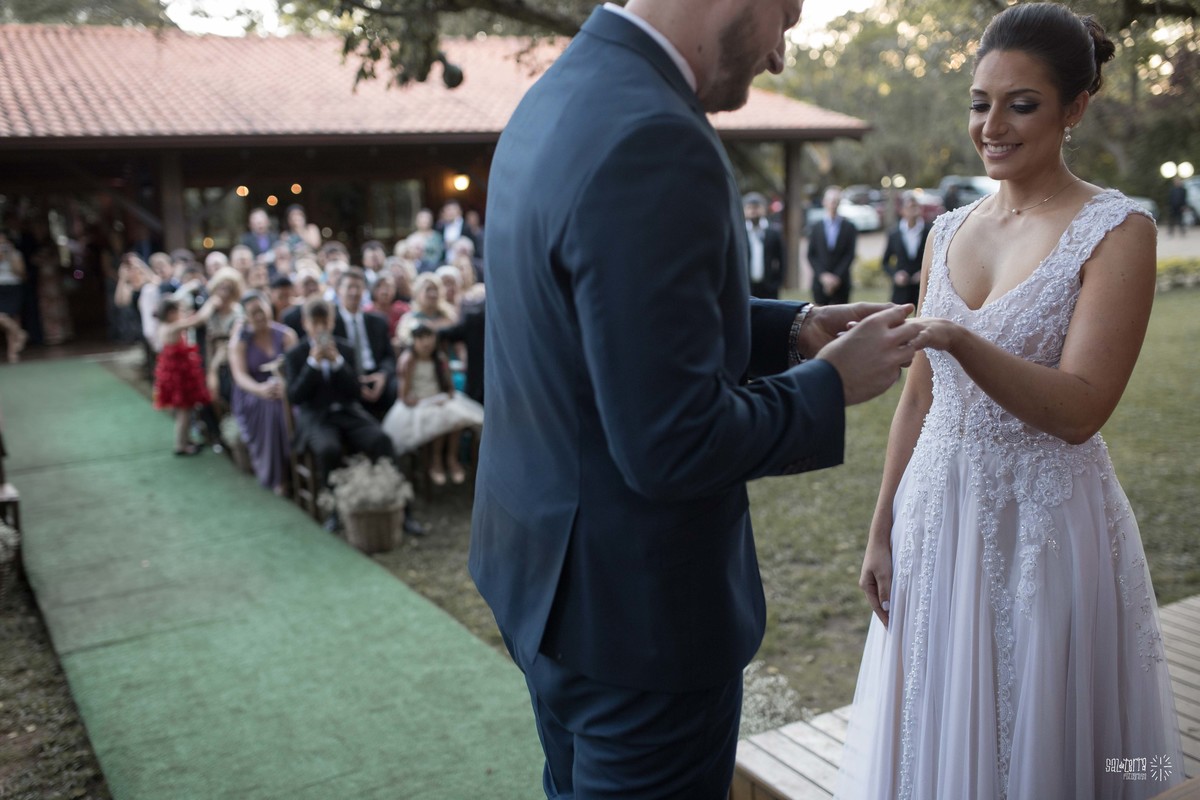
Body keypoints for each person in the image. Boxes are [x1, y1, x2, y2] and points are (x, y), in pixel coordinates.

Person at [468, 0, 921, 794]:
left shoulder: (561, 92)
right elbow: (672, 442)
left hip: (544, 580)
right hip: (639, 625)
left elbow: (604, 315)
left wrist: (795, 331)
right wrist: (830, 386)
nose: (781, 53)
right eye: (787, 14)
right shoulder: (659, 136)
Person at [838, 5, 1184, 799]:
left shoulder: (1118, 228)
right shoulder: (947, 228)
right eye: (979, 102)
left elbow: (1079, 409)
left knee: (1045, 733)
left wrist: (961, 340)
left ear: (1075, 108)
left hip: (1045, 526)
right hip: (936, 514)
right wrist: (882, 526)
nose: (992, 124)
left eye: (1021, 103)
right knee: (937, 725)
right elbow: (918, 398)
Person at [282, 297, 396, 529]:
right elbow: (295, 397)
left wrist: (338, 364)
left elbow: (355, 392)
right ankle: (335, 510)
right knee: (328, 449)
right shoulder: (295, 354)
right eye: (316, 324)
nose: (321, 329)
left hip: (348, 412)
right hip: (317, 417)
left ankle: (394, 500)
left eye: (325, 323)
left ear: (332, 323)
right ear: (306, 324)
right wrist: (313, 364)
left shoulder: (345, 348)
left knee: (381, 439)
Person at [382, 322, 483, 485]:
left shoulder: (440, 359)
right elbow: (404, 394)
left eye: (429, 337)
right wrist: (416, 400)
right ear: (414, 341)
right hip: (420, 403)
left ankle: (452, 459)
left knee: (455, 418)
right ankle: (436, 462)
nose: (426, 342)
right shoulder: (409, 361)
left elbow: (449, 387)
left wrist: (445, 396)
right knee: (439, 421)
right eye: (421, 338)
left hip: (439, 398)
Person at [229, 291, 297, 494]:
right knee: (273, 410)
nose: (259, 316)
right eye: (253, 313)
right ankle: (278, 475)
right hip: (252, 392)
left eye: (262, 310)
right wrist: (260, 390)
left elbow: (295, 369)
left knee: (292, 409)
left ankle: (295, 461)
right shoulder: (240, 342)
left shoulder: (286, 335)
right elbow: (239, 377)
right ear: (246, 317)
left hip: (285, 388)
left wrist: (284, 386)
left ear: (270, 308)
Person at [153, 295, 219, 456]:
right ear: (170, 313)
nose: (181, 313)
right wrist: (212, 302)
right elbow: (199, 319)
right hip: (180, 377)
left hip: (173, 374)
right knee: (185, 412)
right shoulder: (173, 327)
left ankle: (185, 440)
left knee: (182, 411)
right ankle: (181, 445)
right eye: (179, 310)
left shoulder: (163, 326)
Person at [332, 268, 397, 421]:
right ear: (338, 290)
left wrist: (382, 375)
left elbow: (389, 356)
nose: (354, 292)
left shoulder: (378, 321)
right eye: (349, 287)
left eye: (358, 287)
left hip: (375, 375)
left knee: (398, 388)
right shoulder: (332, 323)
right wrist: (354, 383)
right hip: (347, 378)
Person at [806, 185, 857, 305]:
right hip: (820, 283)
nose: (833, 203)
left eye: (836, 200)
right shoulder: (815, 227)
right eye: (831, 200)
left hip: (841, 283)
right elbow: (811, 254)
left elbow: (850, 254)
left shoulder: (849, 227)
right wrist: (823, 276)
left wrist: (836, 278)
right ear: (824, 202)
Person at [880, 192, 929, 307]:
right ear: (902, 210)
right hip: (900, 290)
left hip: (922, 289)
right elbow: (885, 262)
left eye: (916, 206)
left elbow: (937, 259)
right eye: (910, 207)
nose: (914, 210)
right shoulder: (894, 234)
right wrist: (895, 275)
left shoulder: (929, 232)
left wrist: (924, 274)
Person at [743, 191, 786, 299]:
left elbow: (782, 259)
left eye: (756, 207)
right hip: (746, 286)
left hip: (768, 287)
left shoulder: (773, 232)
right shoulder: (740, 232)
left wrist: (777, 282)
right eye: (750, 207)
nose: (753, 211)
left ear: (764, 209)